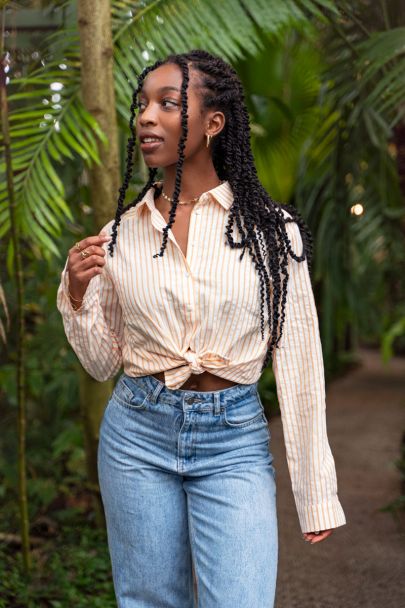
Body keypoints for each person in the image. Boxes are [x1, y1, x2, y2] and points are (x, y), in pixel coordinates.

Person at [56, 49, 346, 608]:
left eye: (168, 104)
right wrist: (74, 291)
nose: (145, 117)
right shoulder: (121, 236)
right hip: (137, 435)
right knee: (149, 601)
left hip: (233, 439)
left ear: (214, 123)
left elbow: (300, 361)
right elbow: (100, 363)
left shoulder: (270, 233)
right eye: (142, 105)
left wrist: (315, 494)